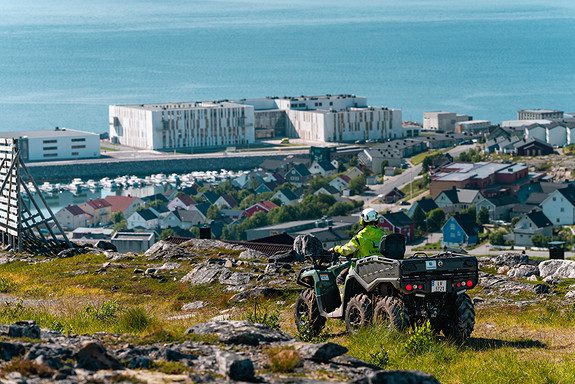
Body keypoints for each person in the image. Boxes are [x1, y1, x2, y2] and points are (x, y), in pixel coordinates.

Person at [330, 208, 383, 285]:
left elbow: (346, 251)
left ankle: (343, 297)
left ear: (362, 221)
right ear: (376, 220)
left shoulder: (360, 237)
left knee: (340, 279)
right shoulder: (383, 235)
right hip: (380, 269)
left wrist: (335, 249)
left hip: (362, 270)